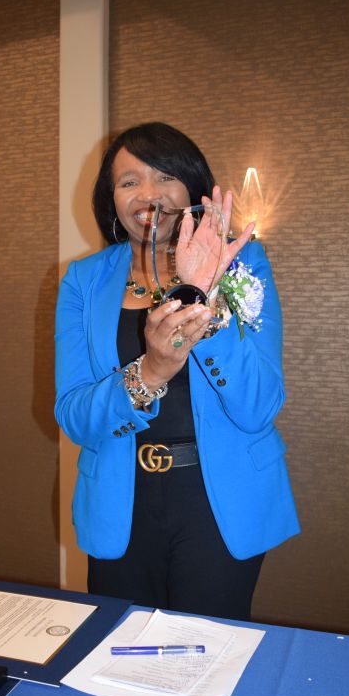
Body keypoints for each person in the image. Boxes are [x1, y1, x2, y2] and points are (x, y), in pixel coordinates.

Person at [55, 122, 299, 620]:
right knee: (117, 646)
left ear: (192, 189)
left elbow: (259, 406)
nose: (149, 194)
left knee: (205, 651)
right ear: (111, 199)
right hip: (120, 499)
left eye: (165, 176)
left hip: (218, 501)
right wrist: (149, 373)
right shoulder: (83, 280)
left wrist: (202, 296)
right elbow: (75, 417)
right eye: (129, 181)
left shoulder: (242, 264)